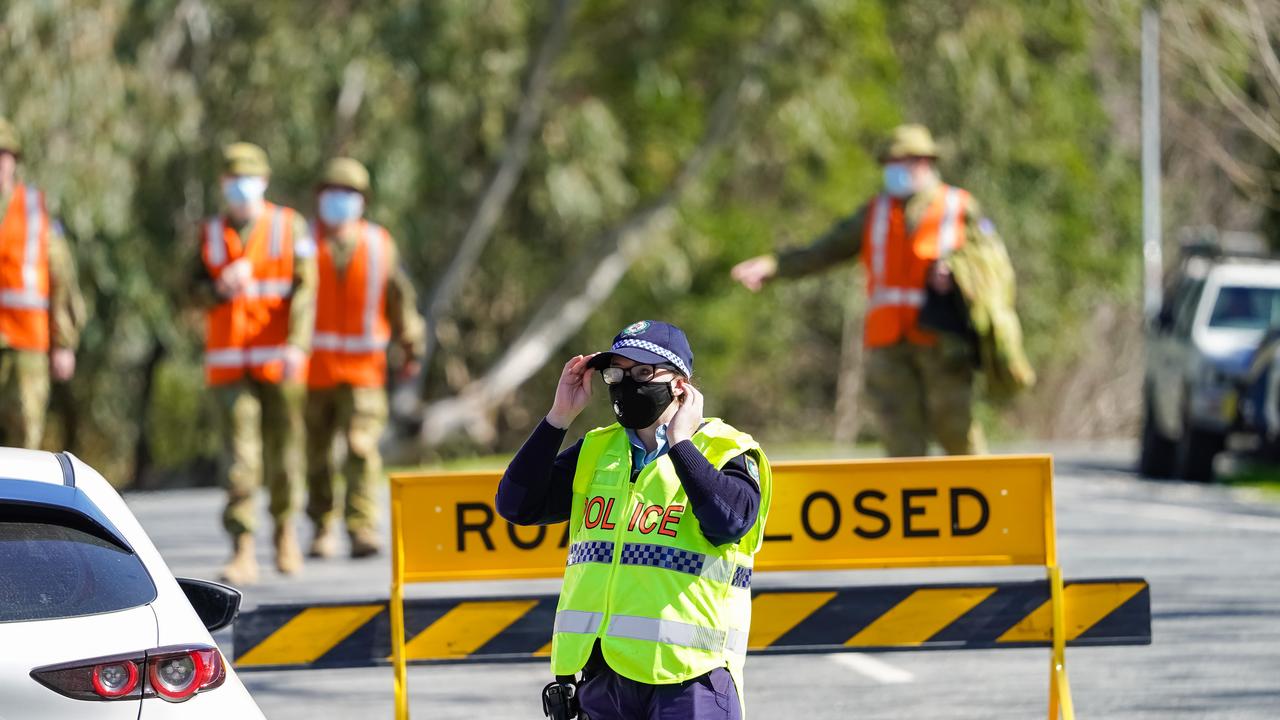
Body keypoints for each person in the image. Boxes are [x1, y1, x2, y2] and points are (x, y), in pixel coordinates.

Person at [496, 320, 771, 720]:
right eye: (616, 373)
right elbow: (517, 504)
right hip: (604, 676)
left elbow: (728, 521)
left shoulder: (726, 449)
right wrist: (558, 417)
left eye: (643, 372)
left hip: (690, 677)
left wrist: (681, 444)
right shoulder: (597, 449)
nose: (626, 383)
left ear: (681, 384)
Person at [731, 123, 1007, 457]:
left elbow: (993, 264)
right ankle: (911, 506)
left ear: (923, 162)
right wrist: (774, 265)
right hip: (889, 344)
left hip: (942, 341)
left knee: (956, 429)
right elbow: (824, 251)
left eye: (900, 162)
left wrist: (958, 272)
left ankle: (981, 501)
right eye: (889, 163)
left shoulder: (958, 206)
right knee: (900, 440)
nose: (892, 170)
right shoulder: (876, 212)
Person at [194, 142, 316, 585]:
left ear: (263, 181)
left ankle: (286, 533)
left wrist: (298, 345)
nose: (239, 187)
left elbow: (306, 288)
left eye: (247, 178)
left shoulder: (290, 226)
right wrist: (216, 289)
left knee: (285, 453)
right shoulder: (208, 232)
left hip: (280, 361)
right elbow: (185, 287)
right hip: (229, 366)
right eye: (231, 179)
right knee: (239, 459)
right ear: (222, 185)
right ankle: (243, 547)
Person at [303, 158, 425, 559]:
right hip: (312, 372)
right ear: (320, 197)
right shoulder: (303, 243)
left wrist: (411, 344)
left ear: (363, 201)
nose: (340, 200)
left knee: (360, 449)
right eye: (333, 192)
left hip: (363, 371)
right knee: (317, 453)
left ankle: (361, 527)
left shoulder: (378, 244)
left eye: (350, 194)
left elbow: (399, 298)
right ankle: (322, 527)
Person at [0, 117, 84, 449]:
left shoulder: (36, 209)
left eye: (3, 155)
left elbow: (61, 276)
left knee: (25, 439)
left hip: (27, 344)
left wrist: (63, 342)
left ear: (14, 161)